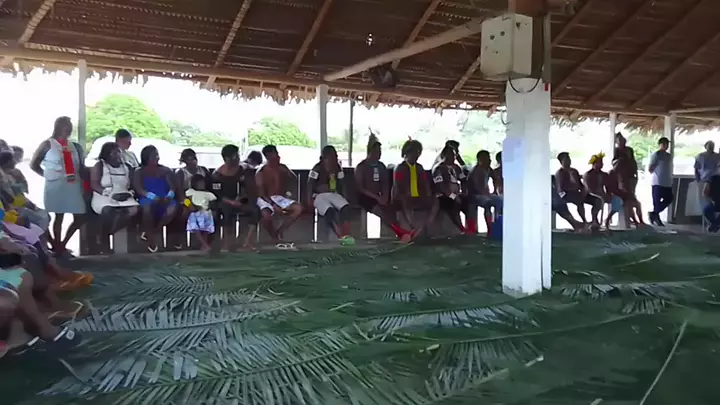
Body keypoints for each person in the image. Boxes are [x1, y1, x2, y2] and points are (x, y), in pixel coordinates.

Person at [30, 116, 87, 254]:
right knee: (58, 216)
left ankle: (63, 242)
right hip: (55, 184)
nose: (69, 129)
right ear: (58, 127)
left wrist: (84, 185)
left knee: (80, 215)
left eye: (70, 126)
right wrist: (48, 175)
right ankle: (57, 245)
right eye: (66, 125)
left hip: (73, 184)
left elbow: (81, 167)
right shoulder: (47, 144)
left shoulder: (74, 146)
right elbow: (34, 164)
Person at [354, 134, 411, 242]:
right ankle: (400, 233)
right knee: (380, 211)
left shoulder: (381, 166)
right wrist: (376, 197)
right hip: (365, 197)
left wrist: (385, 196)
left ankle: (399, 232)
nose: (379, 153)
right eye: (376, 151)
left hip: (379, 196)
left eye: (380, 151)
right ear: (370, 151)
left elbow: (385, 183)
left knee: (390, 208)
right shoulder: (361, 167)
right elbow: (360, 188)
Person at [89, 142, 140, 250]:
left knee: (135, 210)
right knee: (108, 211)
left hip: (125, 196)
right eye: (114, 152)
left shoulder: (127, 166)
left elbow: (133, 185)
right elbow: (94, 184)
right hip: (104, 196)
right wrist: (108, 194)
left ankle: (107, 233)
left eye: (118, 152)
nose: (118, 155)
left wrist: (129, 193)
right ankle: (104, 240)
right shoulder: (100, 165)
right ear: (106, 154)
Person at [213, 144, 261, 251]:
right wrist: (231, 202)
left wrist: (242, 198)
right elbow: (217, 195)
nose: (238, 158)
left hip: (240, 201)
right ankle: (227, 243)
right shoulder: (217, 174)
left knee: (255, 210)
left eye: (238, 155)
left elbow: (248, 188)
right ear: (227, 158)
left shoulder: (244, 170)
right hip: (224, 202)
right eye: (235, 156)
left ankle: (247, 242)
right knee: (226, 210)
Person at [132, 145, 179, 252]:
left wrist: (169, 196)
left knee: (173, 208)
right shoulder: (139, 171)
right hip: (147, 197)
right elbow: (139, 189)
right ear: (146, 157)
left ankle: (154, 231)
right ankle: (150, 237)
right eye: (154, 155)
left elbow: (172, 188)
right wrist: (152, 197)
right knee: (147, 207)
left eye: (157, 155)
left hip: (165, 198)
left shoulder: (165, 170)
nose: (157, 157)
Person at [256, 145, 303, 247]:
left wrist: (289, 191)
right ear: (268, 156)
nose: (278, 156)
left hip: (279, 198)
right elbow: (261, 193)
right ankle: (274, 236)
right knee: (266, 215)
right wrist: (274, 205)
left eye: (277, 154)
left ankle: (279, 231)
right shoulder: (261, 172)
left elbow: (294, 179)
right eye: (274, 155)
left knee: (298, 208)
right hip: (265, 198)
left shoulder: (283, 168)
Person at [392, 140, 439, 240]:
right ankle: (412, 225)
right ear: (407, 153)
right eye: (414, 152)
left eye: (418, 152)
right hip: (403, 197)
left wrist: (428, 194)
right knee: (404, 200)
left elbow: (425, 184)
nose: (417, 155)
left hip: (418, 197)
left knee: (436, 200)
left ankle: (427, 223)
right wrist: (406, 193)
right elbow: (398, 185)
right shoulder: (399, 168)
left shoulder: (419, 168)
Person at [308, 145, 355, 245]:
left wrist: (345, 197)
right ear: (325, 158)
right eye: (333, 156)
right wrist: (309, 200)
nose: (335, 158)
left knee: (346, 208)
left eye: (336, 156)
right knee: (330, 211)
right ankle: (339, 234)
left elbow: (342, 182)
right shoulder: (317, 168)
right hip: (319, 196)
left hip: (333, 193)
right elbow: (310, 184)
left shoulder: (337, 168)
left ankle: (346, 233)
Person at [173, 148, 212, 250]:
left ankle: (205, 241)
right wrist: (189, 205)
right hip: (187, 200)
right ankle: (180, 241)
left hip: (202, 200)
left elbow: (209, 189)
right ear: (184, 161)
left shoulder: (203, 170)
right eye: (189, 159)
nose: (192, 162)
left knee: (210, 213)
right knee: (185, 213)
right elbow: (180, 194)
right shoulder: (180, 173)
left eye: (194, 159)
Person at [555, 152, 602, 226]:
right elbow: (561, 188)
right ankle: (584, 221)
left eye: (569, 159)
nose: (568, 161)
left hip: (577, 193)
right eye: (566, 159)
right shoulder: (560, 173)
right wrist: (574, 189)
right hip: (565, 194)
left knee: (598, 200)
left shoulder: (574, 171)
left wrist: (585, 190)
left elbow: (580, 185)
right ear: (561, 162)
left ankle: (594, 220)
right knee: (579, 200)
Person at [432, 145, 469, 233]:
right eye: (450, 155)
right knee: (453, 204)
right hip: (443, 196)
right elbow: (441, 186)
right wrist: (453, 196)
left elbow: (463, 180)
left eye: (454, 155)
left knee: (469, 202)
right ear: (444, 155)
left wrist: (464, 192)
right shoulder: (438, 168)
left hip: (456, 194)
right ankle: (461, 228)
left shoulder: (456, 167)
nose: (453, 157)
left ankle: (470, 228)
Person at [584, 153, 623, 229]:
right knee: (598, 201)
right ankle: (595, 220)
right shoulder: (588, 174)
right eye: (598, 163)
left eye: (601, 162)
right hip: (590, 195)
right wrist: (599, 195)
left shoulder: (604, 175)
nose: (600, 164)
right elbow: (589, 189)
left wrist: (609, 194)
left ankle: (608, 219)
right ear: (593, 164)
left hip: (602, 195)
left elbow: (608, 186)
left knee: (618, 201)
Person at [468, 150, 503, 234]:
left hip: (485, 194)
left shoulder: (488, 169)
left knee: (500, 200)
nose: (490, 160)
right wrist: (486, 194)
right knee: (488, 202)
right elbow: (476, 186)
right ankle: (490, 227)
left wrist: (495, 190)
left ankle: (496, 222)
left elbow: (495, 178)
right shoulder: (476, 171)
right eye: (487, 158)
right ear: (480, 160)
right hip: (474, 196)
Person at [186, 174, 217, 252]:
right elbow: (186, 200)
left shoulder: (208, 194)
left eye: (202, 183)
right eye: (199, 183)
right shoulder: (191, 192)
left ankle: (203, 245)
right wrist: (191, 206)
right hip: (195, 213)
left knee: (206, 230)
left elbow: (213, 203)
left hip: (206, 213)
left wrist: (212, 209)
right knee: (196, 230)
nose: (201, 184)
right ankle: (205, 245)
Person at [648, 137, 674, 226]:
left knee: (669, 198)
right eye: (664, 144)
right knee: (656, 201)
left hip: (667, 182)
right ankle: (656, 217)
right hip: (657, 182)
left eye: (667, 144)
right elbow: (650, 168)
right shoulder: (656, 155)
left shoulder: (669, 156)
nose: (666, 146)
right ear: (660, 144)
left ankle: (654, 214)